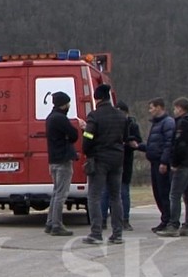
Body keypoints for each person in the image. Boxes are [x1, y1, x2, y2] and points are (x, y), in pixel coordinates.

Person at [81, 84, 128, 244]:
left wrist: (87, 151)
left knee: (94, 196)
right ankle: (117, 234)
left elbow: (88, 138)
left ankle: (96, 233)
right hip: (117, 159)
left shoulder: (94, 116)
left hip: (99, 159)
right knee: (116, 197)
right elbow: (126, 137)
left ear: (97, 98)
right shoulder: (121, 116)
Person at [158, 97, 188, 237]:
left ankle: (173, 225)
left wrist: (175, 163)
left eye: (176, 108)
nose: (174, 111)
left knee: (175, 194)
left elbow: (180, 145)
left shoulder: (183, 123)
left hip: (184, 164)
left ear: (181, 109)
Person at [100, 101, 141, 231]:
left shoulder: (132, 125)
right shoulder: (111, 124)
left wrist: (130, 142)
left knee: (123, 192)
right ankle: (102, 220)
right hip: (111, 160)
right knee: (105, 192)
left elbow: (138, 140)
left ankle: (125, 220)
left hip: (125, 161)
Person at [136, 97, 175, 232]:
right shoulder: (156, 123)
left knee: (164, 192)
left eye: (152, 107)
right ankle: (165, 218)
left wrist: (164, 162)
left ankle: (168, 220)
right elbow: (154, 145)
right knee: (157, 193)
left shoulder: (167, 123)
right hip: (154, 162)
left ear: (159, 107)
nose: (150, 110)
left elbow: (168, 144)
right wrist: (140, 146)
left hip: (161, 163)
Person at [44, 91, 79, 236]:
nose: (69, 105)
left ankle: (50, 222)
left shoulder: (50, 118)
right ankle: (57, 224)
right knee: (61, 194)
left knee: (56, 192)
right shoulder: (61, 119)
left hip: (53, 159)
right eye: (68, 103)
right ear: (64, 104)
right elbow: (74, 135)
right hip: (63, 159)